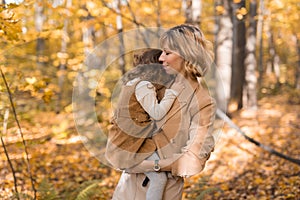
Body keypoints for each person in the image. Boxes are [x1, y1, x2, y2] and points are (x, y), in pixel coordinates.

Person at [111, 24, 216, 200]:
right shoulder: (155, 82)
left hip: (163, 191)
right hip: (127, 187)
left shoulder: (202, 101)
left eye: (167, 53)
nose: (161, 58)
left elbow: (194, 159)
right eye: (162, 52)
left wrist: (152, 165)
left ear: (186, 55)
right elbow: (121, 123)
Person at [105, 49, 183, 200]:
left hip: (129, 140)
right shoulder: (144, 85)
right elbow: (157, 113)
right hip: (132, 142)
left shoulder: (131, 83)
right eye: (160, 63)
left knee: (155, 176)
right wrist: (172, 93)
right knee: (159, 179)